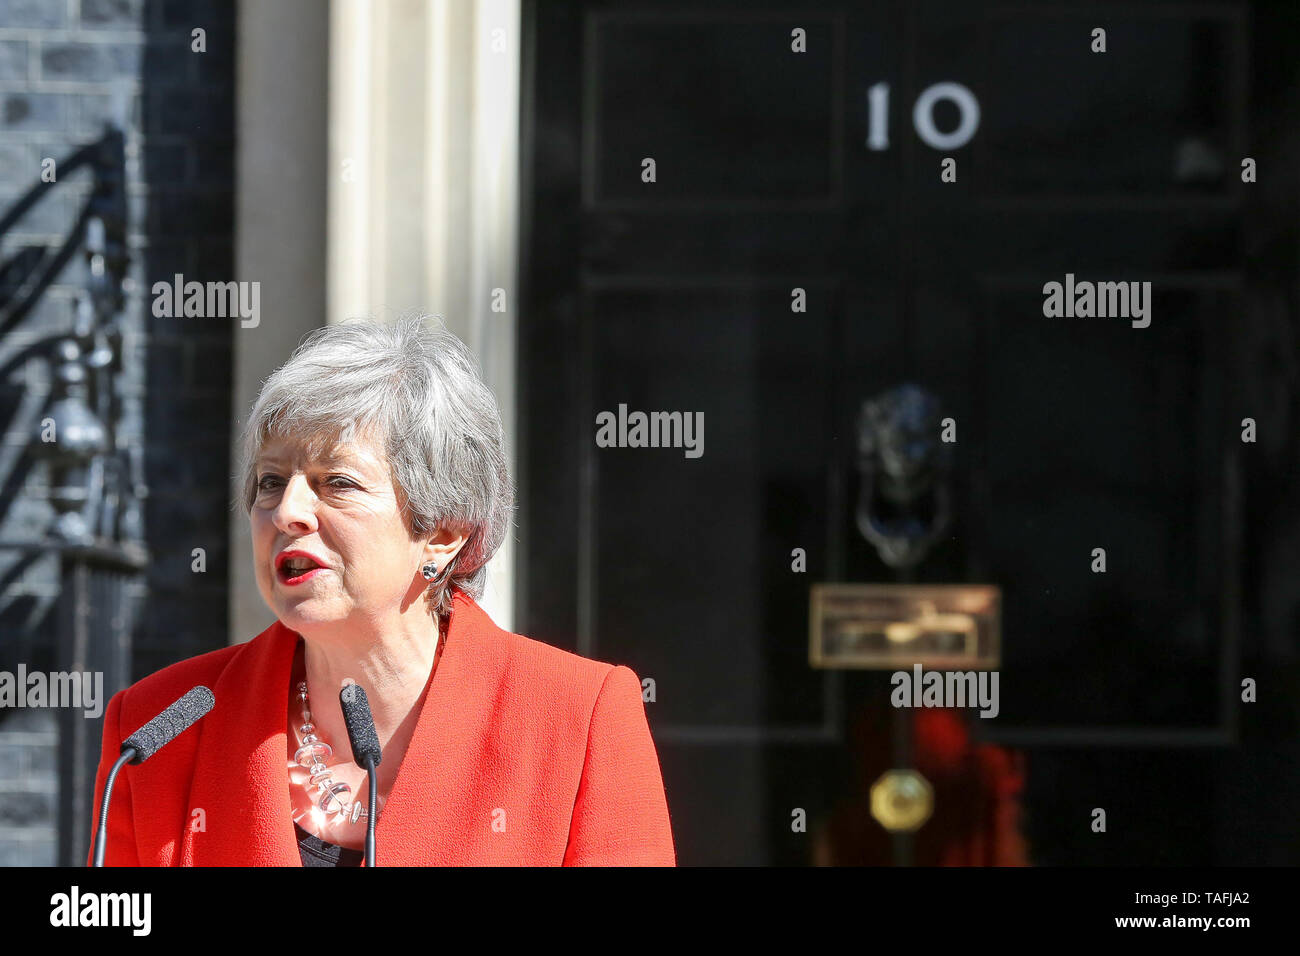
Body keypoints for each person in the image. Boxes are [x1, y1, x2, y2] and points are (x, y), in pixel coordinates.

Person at [87, 317, 675, 866]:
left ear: (442, 531)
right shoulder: (154, 727)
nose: (287, 511)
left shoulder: (578, 720)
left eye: (335, 483)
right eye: (270, 482)